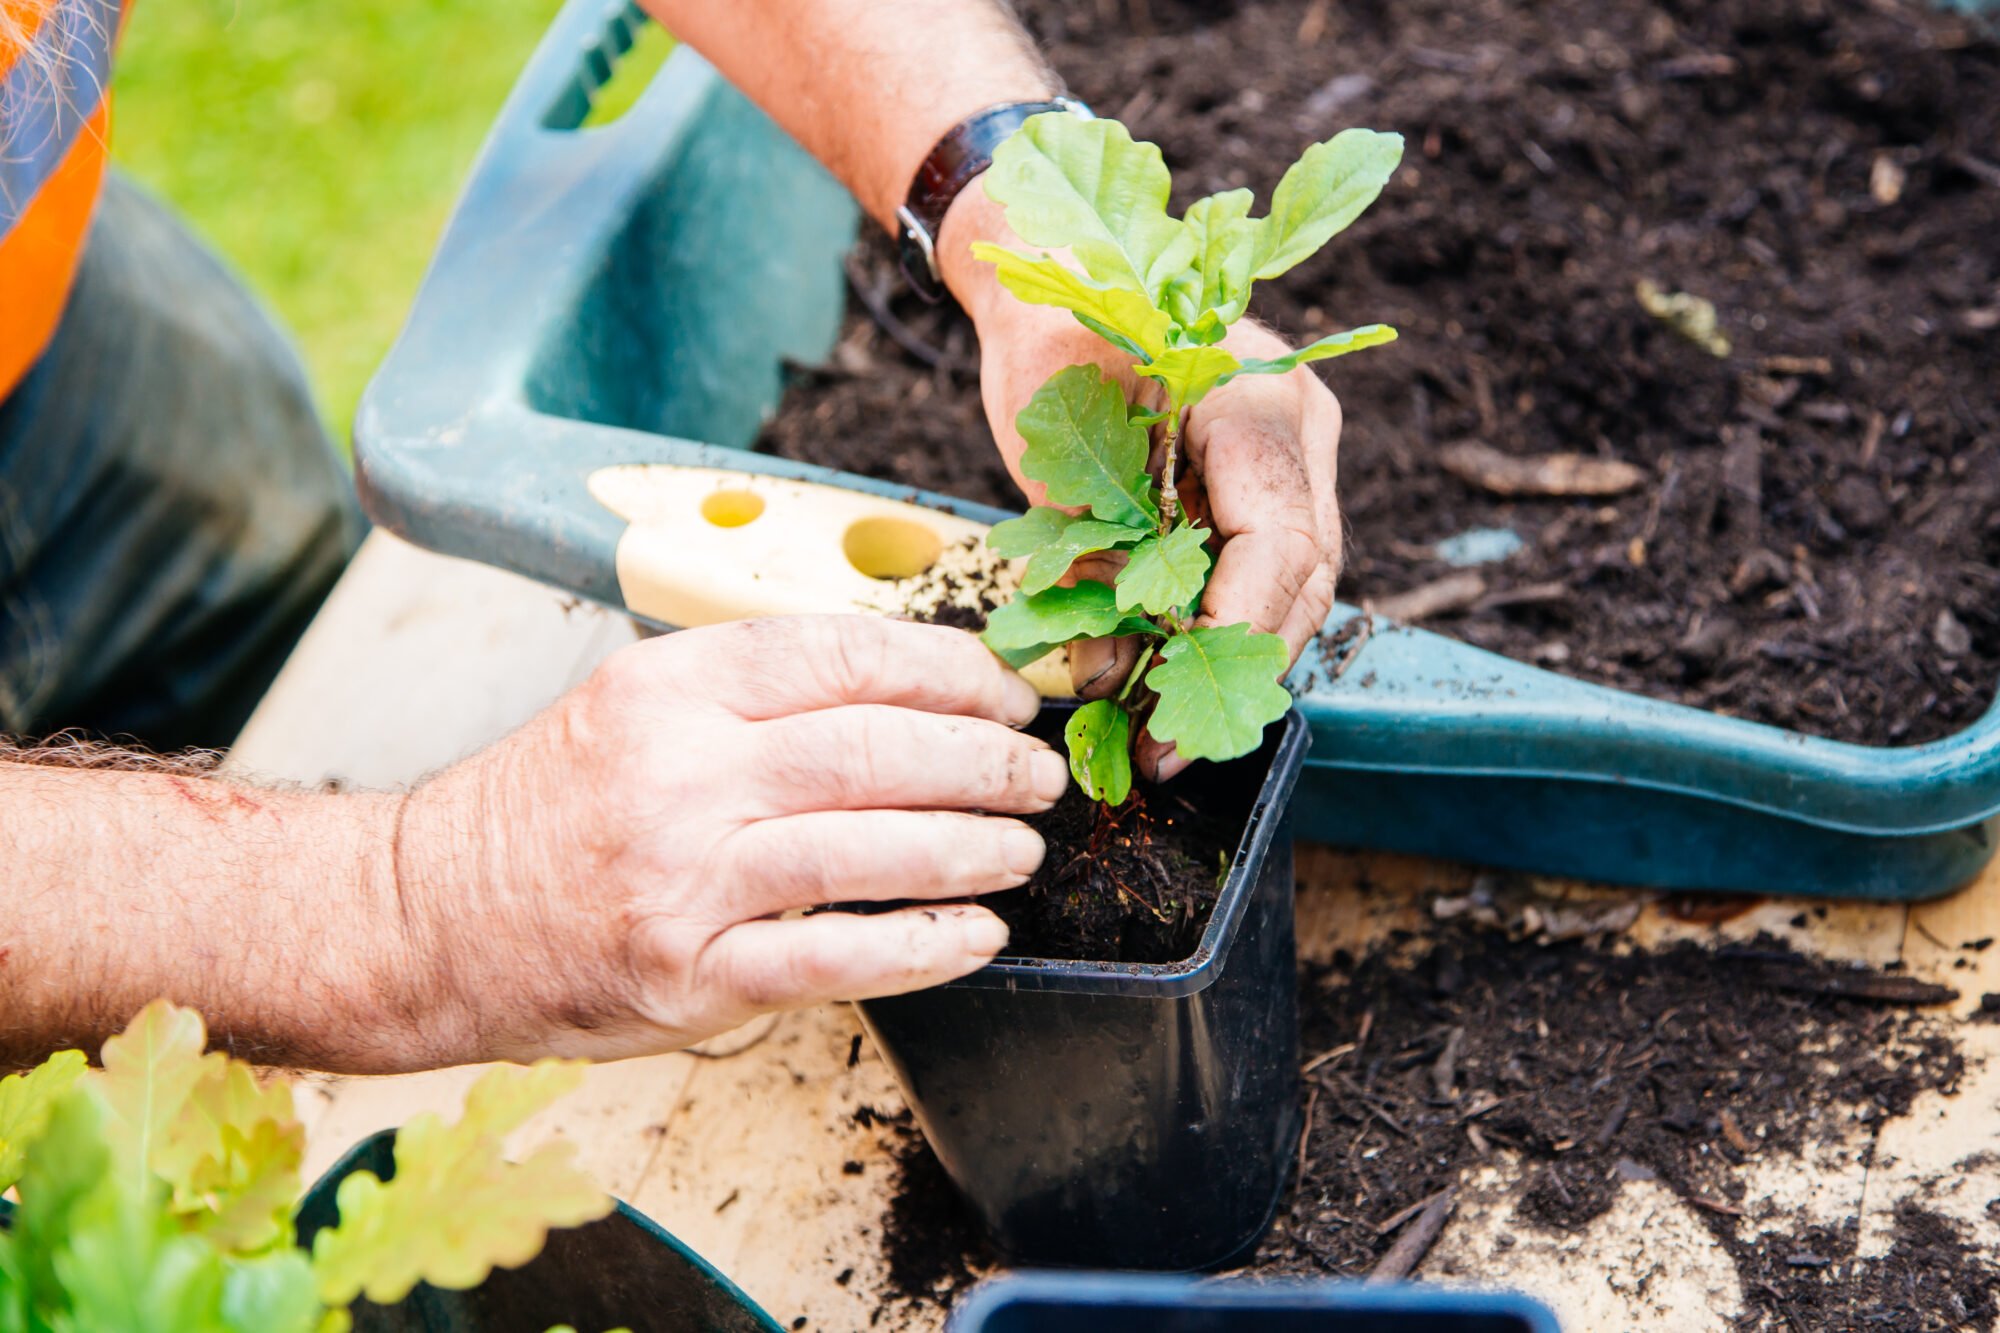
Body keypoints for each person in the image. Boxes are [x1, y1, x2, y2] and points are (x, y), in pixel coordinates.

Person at [0, 0, 1350, 1071]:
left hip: (40, 289)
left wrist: (1012, 196)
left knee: (272, 630)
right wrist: (409, 909)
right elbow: (403, 911)